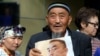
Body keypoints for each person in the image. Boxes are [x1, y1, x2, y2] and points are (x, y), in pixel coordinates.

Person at [26, 2, 92, 56]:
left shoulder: (83, 40)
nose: (57, 21)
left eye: (62, 16)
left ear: (69, 20)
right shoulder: (35, 40)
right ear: (47, 19)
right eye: (53, 16)